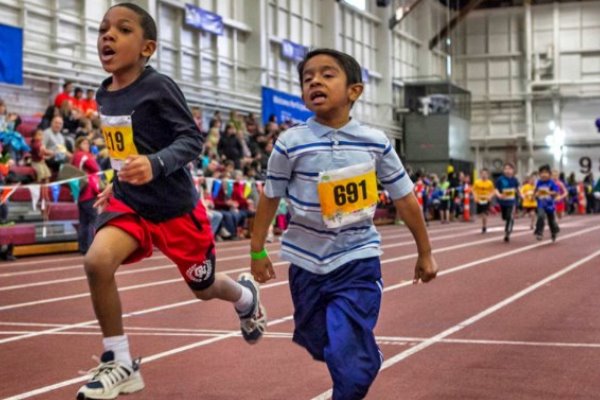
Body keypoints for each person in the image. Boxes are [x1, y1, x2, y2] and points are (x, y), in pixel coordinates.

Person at [76, 4, 266, 399]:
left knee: (205, 286)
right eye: (102, 29)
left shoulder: (158, 86)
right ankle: (119, 359)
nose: (107, 36)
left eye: (122, 30)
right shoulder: (103, 93)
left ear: (147, 48)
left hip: (177, 211)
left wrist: (156, 164)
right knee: (96, 261)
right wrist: (117, 178)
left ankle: (246, 297)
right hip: (131, 203)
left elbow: (191, 140)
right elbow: (122, 148)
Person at [249, 48, 438, 400]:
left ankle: (356, 371)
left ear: (354, 91)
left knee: (348, 354)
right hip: (306, 262)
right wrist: (257, 249)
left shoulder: (376, 142)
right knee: (318, 340)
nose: (315, 81)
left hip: (357, 259)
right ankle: (363, 356)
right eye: (308, 78)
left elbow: (405, 199)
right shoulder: (290, 143)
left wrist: (425, 252)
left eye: (327, 74)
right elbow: (270, 196)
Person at [72, 137, 101, 254]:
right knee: (93, 219)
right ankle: (91, 246)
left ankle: (82, 246)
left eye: (88, 143)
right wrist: (93, 159)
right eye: (84, 143)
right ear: (79, 144)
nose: (87, 145)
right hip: (89, 191)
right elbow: (95, 168)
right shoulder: (84, 155)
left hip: (78, 191)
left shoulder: (74, 156)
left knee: (83, 221)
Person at [494, 162, 520, 242]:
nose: (507, 170)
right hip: (503, 202)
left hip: (512, 201)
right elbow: (496, 189)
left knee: (510, 216)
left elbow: (518, 189)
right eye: (505, 169)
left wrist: (521, 195)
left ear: (513, 170)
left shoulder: (515, 180)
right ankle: (508, 224)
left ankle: (507, 232)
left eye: (509, 169)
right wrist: (499, 195)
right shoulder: (500, 179)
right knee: (504, 217)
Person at [534, 164, 560, 241]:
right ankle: (539, 232)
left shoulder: (551, 182)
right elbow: (535, 193)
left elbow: (556, 192)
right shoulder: (538, 182)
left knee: (551, 220)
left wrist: (549, 192)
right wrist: (536, 194)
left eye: (546, 173)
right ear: (539, 174)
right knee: (540, 216)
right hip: (541, 203)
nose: (544, 175)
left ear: (549, 174)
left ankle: (554, 232)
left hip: (550, 204)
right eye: (542, 173)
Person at [472, 168, 494, 233]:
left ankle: (484, 226)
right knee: (480, 214)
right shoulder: (477, 182)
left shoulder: (490, 183)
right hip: (479, 199)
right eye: (482, 174)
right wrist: (475, 197)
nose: (484, 175)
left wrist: (490, 196)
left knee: (484, 213)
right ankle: (483, 221)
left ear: (488, 175)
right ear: (480, 174)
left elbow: (493, 191)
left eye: (485, 174)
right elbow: (473, 190)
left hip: (486, 200)